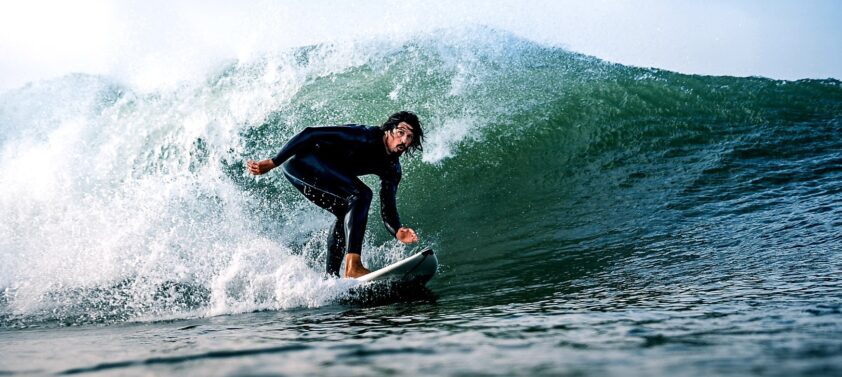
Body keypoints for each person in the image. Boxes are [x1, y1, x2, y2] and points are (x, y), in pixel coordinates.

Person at [247, 111, 424, 278]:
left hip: (318, 171)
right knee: (361, 194)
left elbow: (388, 205)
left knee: (345, 212)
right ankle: (353, 266)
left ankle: (330, 277)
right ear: (388, 130)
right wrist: (274, 161)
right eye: (400, 132)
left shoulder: (392, 168)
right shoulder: (364, 136)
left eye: (409, 137)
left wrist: (397, 230)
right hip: (300, 161)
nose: (403, 140)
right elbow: (311, 133)